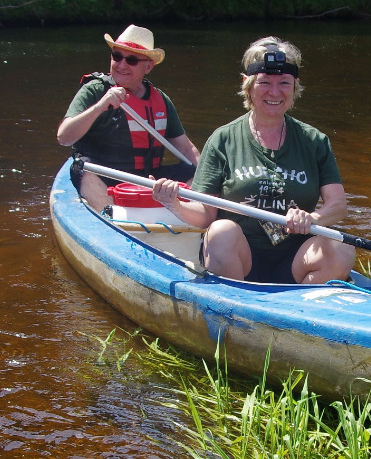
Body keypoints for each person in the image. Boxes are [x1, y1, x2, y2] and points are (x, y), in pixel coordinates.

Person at [150, 37, 355, 285]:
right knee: (220, 231)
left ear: (295, 86)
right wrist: (175, 203)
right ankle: (236, 308)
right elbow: (205, 214)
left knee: (342, 248)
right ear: (247, 84)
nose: (274, 92)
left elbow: (338, 205)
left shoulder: (315, 141)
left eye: (284, 83)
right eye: (265, 82)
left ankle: (297, 309)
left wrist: (313, 219)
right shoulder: (223, 139)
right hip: (239, 258)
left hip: (295, 259)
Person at [57, 24, 200, 208]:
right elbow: (64, 137)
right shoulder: (95, 90)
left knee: (194, 172)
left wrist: (210, 176)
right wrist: (100, 107)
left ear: (148, 66)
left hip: (147, 178)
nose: (122, 65)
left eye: (131, 60)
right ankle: (111, 217)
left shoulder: (161, 100)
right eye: (117, 56)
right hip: (106, 178)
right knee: (82, 169)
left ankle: (187, 214)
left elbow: (187, 149)